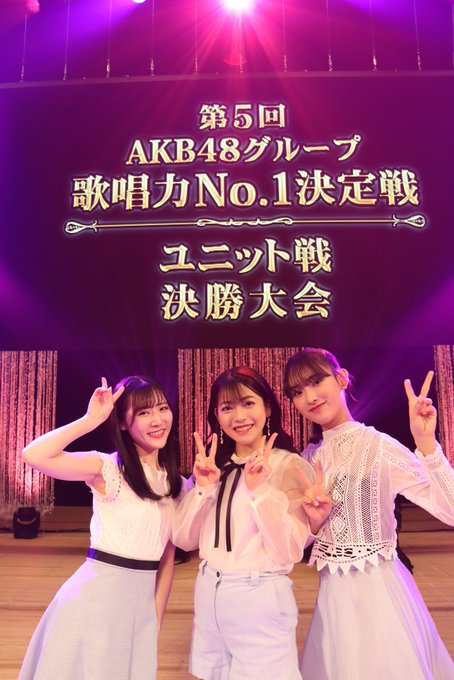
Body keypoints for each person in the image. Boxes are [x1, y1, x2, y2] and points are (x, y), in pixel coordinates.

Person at [283, 348, 454, 680]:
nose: (310, 397)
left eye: (316, 382)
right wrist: (314, 523)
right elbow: (297, 539)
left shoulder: (378, 446)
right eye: (297, 392)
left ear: (342, 379)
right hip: (332, 600)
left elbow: (450, 510)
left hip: (381, 596)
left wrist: (427, 444)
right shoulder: (309, 458)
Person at [19, 375, 183, 680]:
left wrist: (154, 621)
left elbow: (167, 561)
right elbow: (33, 455)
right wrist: (89, 420)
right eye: (144, 412)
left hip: (139, 609)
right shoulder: (107, 468)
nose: (157, 419)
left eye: (162, 408)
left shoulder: (176, 484)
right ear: (123, 423)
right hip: (94, 602)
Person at [173, 366, 332, 680]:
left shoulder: (288, 465)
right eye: (227, 407)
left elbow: (289, 550)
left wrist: (260, 491)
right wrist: (203, 489)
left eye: (248, 403)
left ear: (267, 407)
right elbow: (184, 539)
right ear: (217, 416)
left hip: (258, 594)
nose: (239, 416)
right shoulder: (214, 466)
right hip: (208, 589)